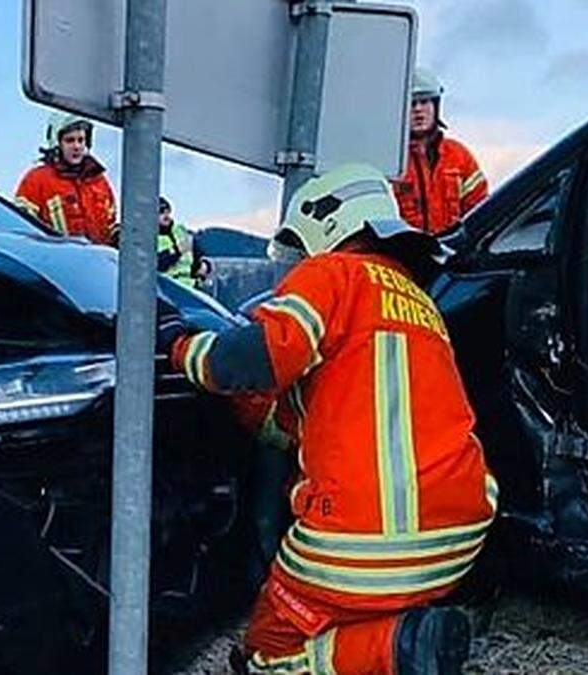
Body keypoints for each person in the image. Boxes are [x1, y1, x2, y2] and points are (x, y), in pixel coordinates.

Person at [161, 164, 498, 674]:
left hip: (361, 544)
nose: (298, 264)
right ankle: (397, 629)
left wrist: (178, 344)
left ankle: (398, 647)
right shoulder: (419, 302)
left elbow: (250, 359)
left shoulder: (335, 273)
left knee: (267, 651)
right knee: (352, 603)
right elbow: (303, 419)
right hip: (461, 530)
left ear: (330, 224)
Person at [392, 68, 488, 236]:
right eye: (411, 103)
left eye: (424, 102)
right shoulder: (390, 160)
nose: (418, 109)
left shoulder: (460, 157)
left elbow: (480, 211)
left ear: (436, 106)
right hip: (403, 256)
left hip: (451, 255)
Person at [15, 112, 118, 245]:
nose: (77, 146)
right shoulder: (36, 180)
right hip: (57, 261)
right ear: (57, 143)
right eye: (70, 140)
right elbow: (22, 227)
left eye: (81, 140)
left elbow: (110, 224)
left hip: (99, 261)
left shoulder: (98, 181)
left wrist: (119, 236)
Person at [158, 196, 199, 286]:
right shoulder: (148, 237)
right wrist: (176, 251)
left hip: (190, 285)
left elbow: (196, 253)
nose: (166, 215)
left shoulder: (180, 230)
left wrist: (204, 265)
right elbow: (155, 263)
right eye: (161, 212)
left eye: (168, 211)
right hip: (168, 287)